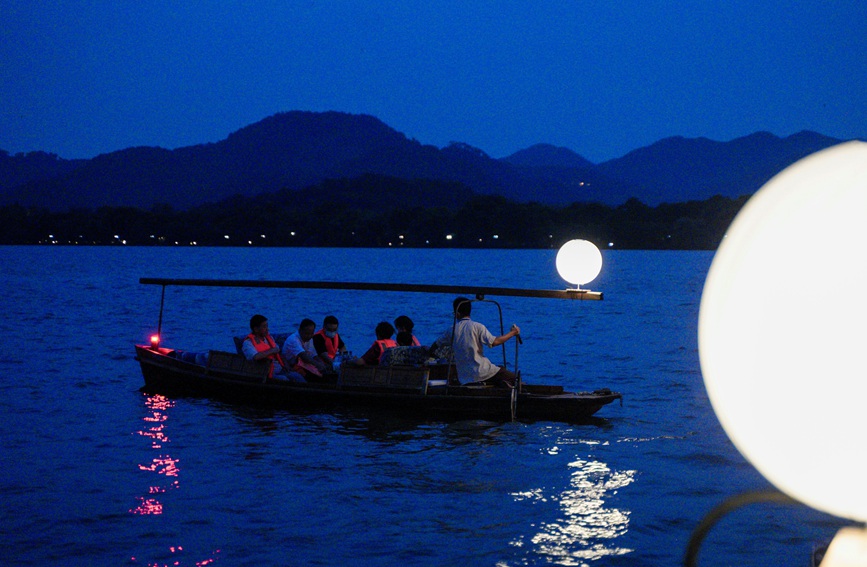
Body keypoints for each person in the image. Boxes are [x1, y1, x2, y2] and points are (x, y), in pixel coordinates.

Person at [431, 297, 520, 388]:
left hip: (464, 378)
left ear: (457, 314)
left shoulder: (451, 330)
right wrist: (513, 333)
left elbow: (436, 345)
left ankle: (502, 383)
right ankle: (504, 384)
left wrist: (430, 354)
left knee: (500, 369)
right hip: (482, 372)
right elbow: (494, 342)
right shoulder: (477, 327)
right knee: (515, 379)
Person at [241, 314, 302, 381]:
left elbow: (278, 352)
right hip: (266, 373)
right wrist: (272, 350)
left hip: (280, 369)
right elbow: (256, 357)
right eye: (264, 327)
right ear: (256, 329)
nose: (268, 329)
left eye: (267, 326)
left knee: (298, 376)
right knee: (284, 379)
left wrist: (286, 365)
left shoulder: (268, 338)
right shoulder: (248, 343)